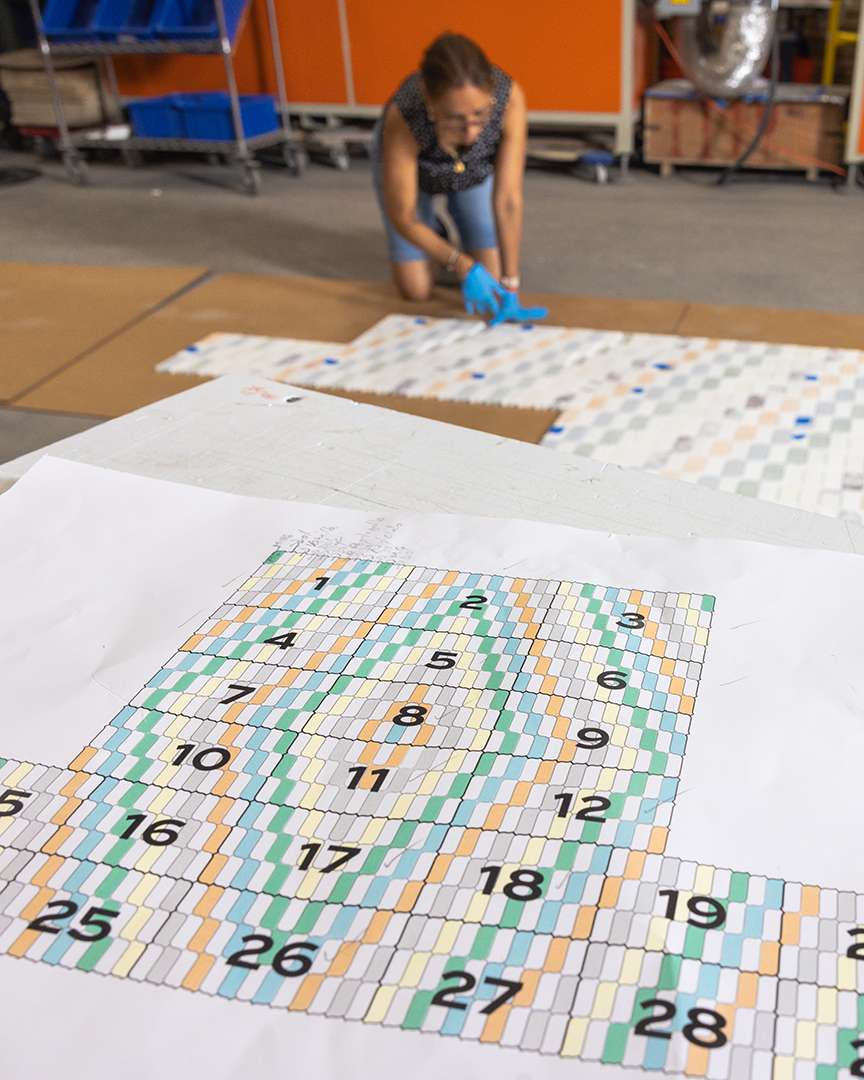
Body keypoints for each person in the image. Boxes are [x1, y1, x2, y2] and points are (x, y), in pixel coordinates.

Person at [372, 32, 547, 325]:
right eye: (455, 118)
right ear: (431, 101)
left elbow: (508, 200)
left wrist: (511, 284)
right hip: (417, 176)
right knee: (416, 290)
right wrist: (462, 264)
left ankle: (451, 235)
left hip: (470, 172)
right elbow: (402, 215)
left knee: (491, 281)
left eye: (479, 114)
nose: (471, 132)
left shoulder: (509, 99)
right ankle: (434, 231)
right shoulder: (404, 114)